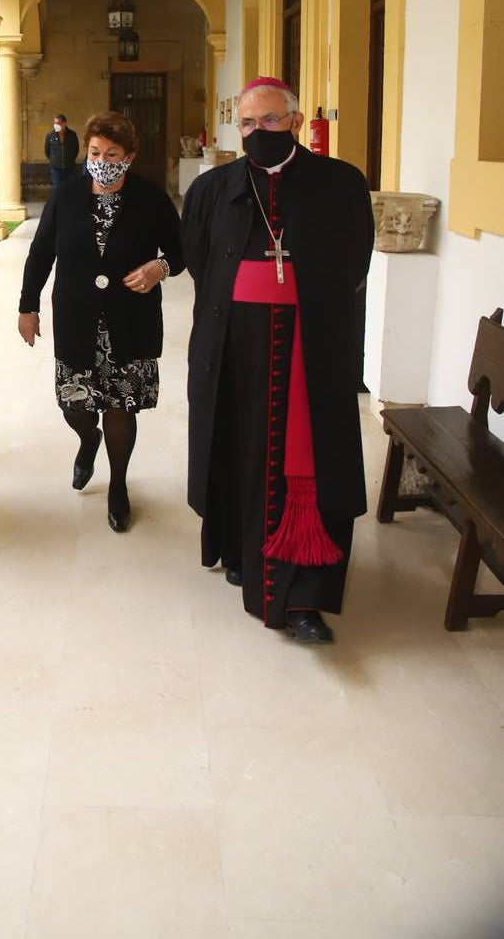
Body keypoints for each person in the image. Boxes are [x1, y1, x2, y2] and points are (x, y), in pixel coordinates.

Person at [181, 76, 374, 643]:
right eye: (246, 123)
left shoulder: (339, 184)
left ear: (293, 121)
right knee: (239, 447)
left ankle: (304, 596)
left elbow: (353, 262)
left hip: (309, 347)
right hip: (234, 346)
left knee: (304, 460)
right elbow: (200, 259)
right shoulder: (213, 189)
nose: (256, 132)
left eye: (268, 121)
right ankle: (243, 550)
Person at [19, 111, 184, 533]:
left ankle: (118, 486)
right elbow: (41, 253)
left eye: (112, 153)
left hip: (130, 318)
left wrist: (158, 268)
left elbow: (183, 251)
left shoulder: (150, 197)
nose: (102, 160)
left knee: (120, 405)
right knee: (75, 406)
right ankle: (87, 440)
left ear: (129, 156)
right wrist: (28, 305)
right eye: (95, 152)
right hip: (78, 317)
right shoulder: (66, 195)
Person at [44, 113, 80, 186]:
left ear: (64, 123)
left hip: (69, 167)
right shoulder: (50, 135)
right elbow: (47, 151)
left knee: (69, 189)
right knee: (57, 190)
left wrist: (70, 159)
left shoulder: (72, 135)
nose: (56, 125)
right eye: (55, 123)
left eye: (58, 123)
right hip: (56, 168)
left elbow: (76, 149)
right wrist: (54, 160)